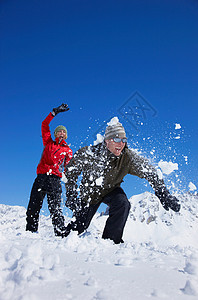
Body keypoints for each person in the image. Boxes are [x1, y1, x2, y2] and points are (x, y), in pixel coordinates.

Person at [64, 118, 180, 244]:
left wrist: (162, 191)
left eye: (124, 140)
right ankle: (62, 238)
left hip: (111, 189)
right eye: (117, 139)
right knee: (77, 229)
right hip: (90, 193)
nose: (121, 143)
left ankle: (111, 241)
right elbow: (70, 171)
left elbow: (149, 170)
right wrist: (71, 193)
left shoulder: (127, 157)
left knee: (122, 204)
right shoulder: (89, 153)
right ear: (107, 141)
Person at [26, 103, 73, 237]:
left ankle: (60, 233)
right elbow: (44, 125)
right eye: (59, 131)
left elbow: (69, 168)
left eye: (64, 131)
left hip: (54, 180)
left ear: (66, 135)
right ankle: (30, 232)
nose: (61, 133)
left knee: (55, 208)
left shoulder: (68, 151)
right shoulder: (48, 142)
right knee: (33, 206)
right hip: (41, 177)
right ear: (55, 133)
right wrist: (54, 113)